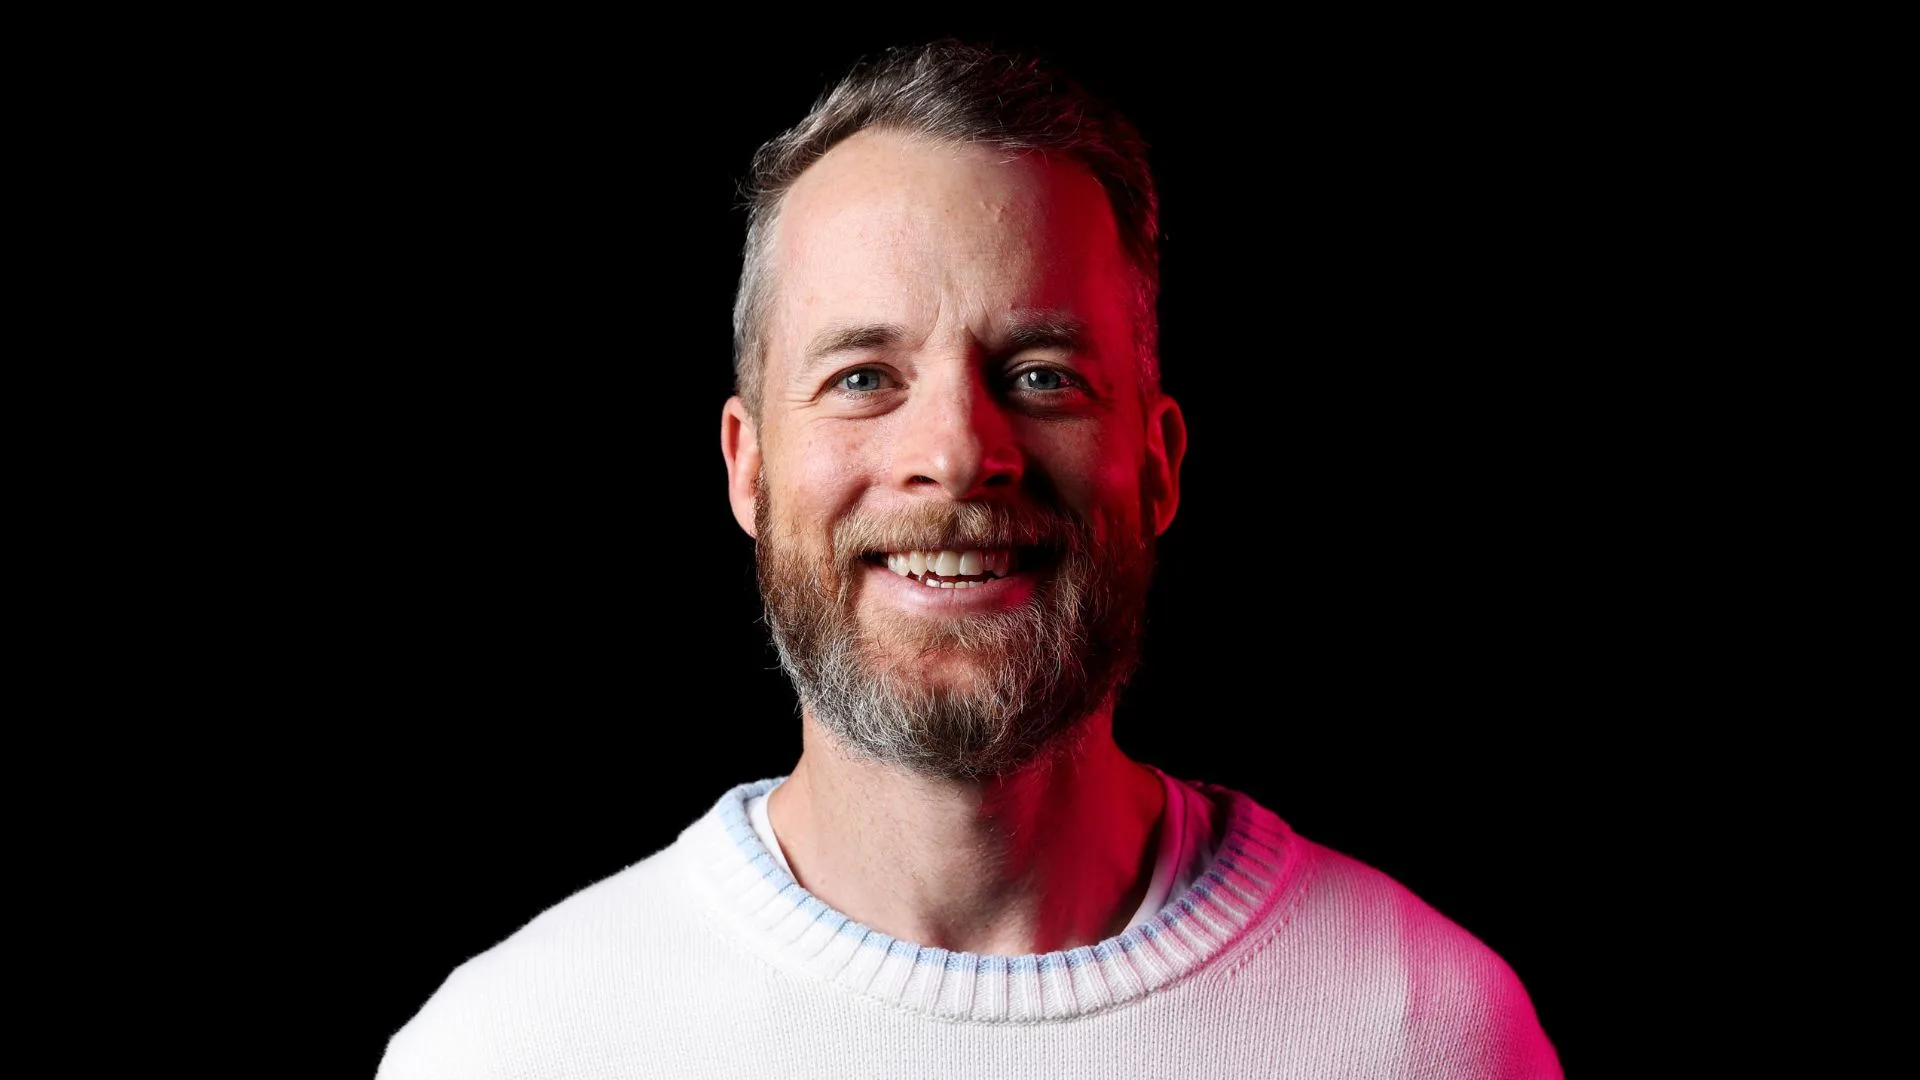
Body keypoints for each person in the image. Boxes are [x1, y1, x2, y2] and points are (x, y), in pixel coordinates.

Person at [377, 39, 1562, 1079]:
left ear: (1158, 464)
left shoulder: (1426, 1032)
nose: (955, 452)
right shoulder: (514, 1051)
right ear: (748, 468)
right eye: (863, 379)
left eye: (1042, 374)